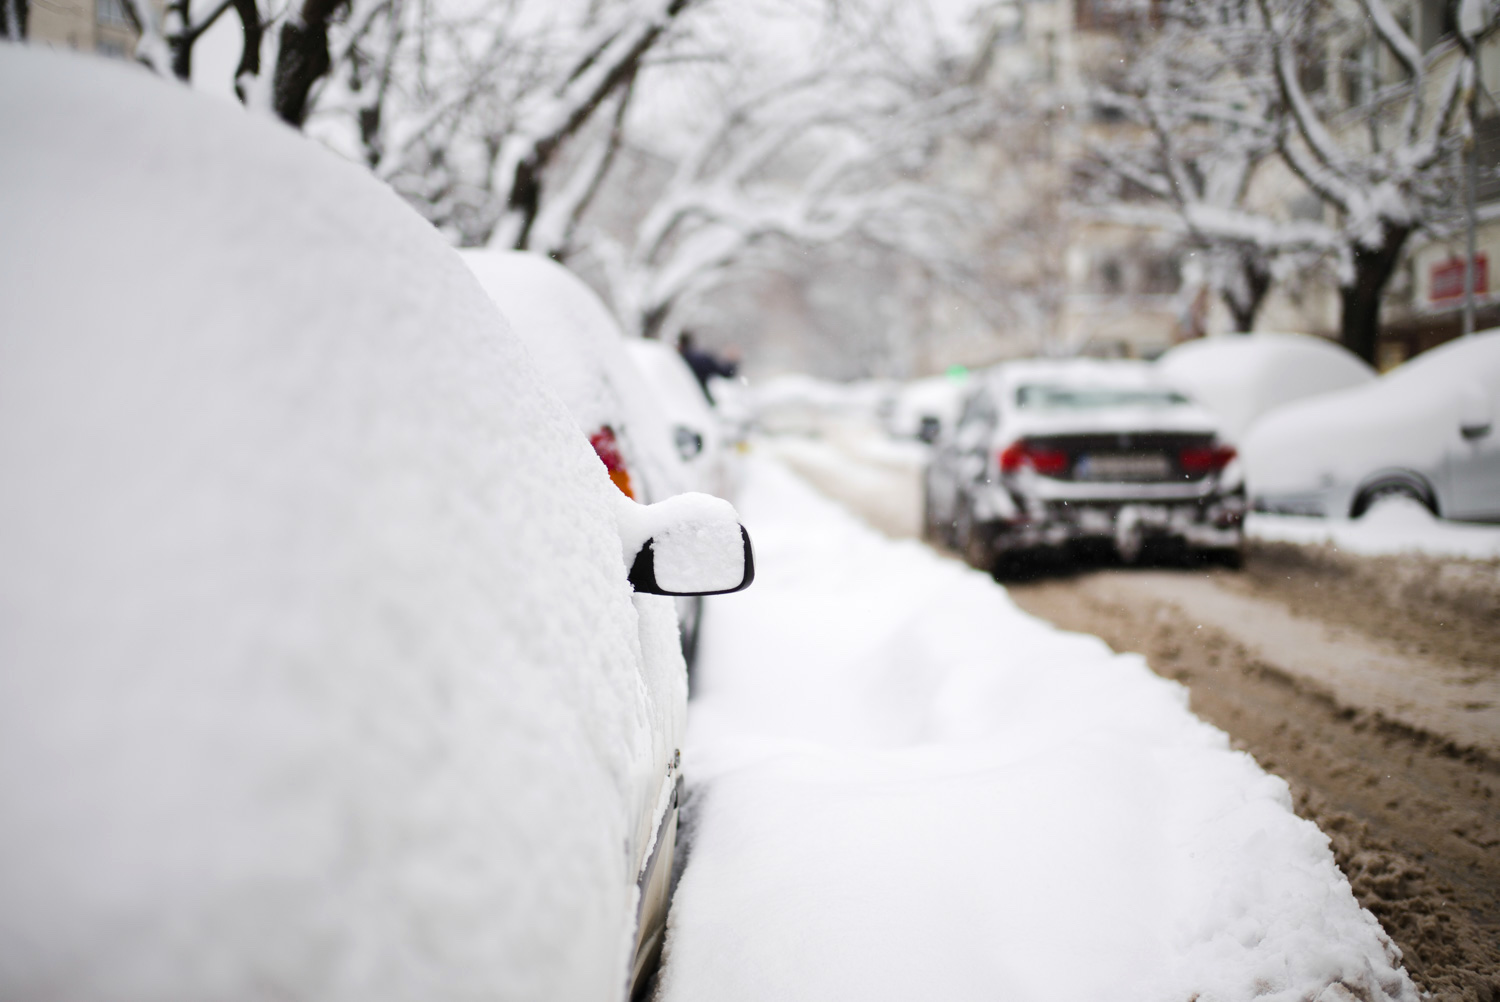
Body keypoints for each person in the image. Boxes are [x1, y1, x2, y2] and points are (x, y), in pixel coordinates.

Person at [676, 330, 738, 402]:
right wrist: (732, 361)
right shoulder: (702, 359)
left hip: (683, 400)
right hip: (701, 399)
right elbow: (725, 373)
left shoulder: (675, 360)